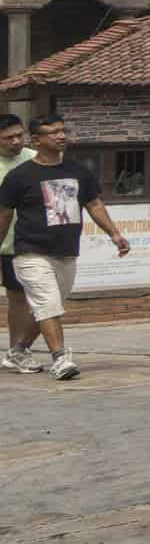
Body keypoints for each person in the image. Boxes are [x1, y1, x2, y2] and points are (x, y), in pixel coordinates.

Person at [0, 110, 129, 384]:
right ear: (36, 140)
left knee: (49, 306)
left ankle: (18, 351)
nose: (61, 136)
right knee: (47, 303)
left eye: (63, 131)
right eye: (53, 132)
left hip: (66, 252)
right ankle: (60, 358)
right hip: (29, 251)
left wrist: (115, 234)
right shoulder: (19, 176)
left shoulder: (77, 171)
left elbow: (93, 204)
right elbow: (4, 216)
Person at [0, 111, 40, 373]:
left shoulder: (35, 159)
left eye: (19, 135)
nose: (15, 142)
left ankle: (16, 351)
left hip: (22, 243)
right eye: (7, 138)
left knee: (20, 299)